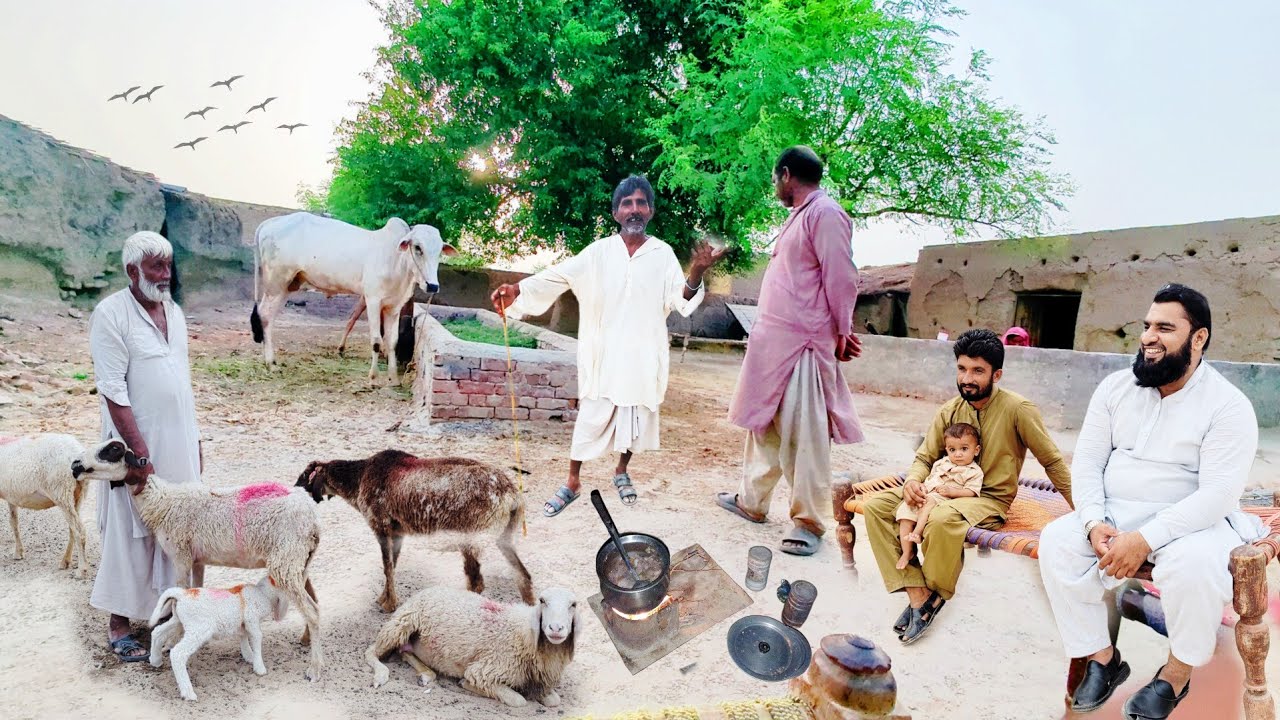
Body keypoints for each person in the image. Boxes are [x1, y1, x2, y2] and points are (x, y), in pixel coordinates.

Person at [1039, 284, 1261, 718]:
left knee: (1194, 568)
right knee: (1057, 541)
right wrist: (1092, 522)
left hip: (1192, 523)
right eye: (1146, 326)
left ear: (1198, 338)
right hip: (1115, 513)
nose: (1148, 337)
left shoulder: (1228, 406)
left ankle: (1175, 676)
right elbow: (1087, 464)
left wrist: (1144, 539)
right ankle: (1103, 658)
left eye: (1164, 328)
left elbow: (1217, 495)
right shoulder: (1115, 388)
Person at [491, 175, 725, 517]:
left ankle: (621, 471)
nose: (634, 209)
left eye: (641, 203)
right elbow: (558, 275)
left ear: (651, 210)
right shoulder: (598, 252)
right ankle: (572, 482)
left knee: (634, 418)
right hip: (603, 355)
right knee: (590, 418)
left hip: (642, 356)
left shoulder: (662, 254)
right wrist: (517, 290)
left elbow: (681, 300)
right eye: (627, 203)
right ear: (616, 213)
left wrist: (696, 273)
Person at [861, 328, 1072, 643]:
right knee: (877, 505)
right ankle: (919, 594)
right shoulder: (949, 410)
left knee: (941, 518)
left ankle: (936, 593)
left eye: (977, 371)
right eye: (961, 369)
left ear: (996, 375)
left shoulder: (1018, 409)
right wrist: (914, 481)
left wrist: (1087, 512)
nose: (966, 378)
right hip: (939, 490)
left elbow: (1052, 461)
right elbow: (925, 457)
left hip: (987, 499)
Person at [715, 145, 863, 557]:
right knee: (763, 427)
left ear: (785, 175)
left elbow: (842, 278)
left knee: (805, 435)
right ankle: (751, 502)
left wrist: (842, 330)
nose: (775, 187)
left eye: (775, 180)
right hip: (772, 345)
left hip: (804, 345)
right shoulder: (797, 217)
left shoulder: (825, 213)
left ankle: (809, 523)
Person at [88, 231, 203, 662]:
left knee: (180, 524)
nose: (165, 274)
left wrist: (195, 439)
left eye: (168, 265)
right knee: (130, 527)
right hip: (134, 445)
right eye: (156, 266)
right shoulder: (111, 314)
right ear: (132, 270)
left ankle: (169, 614)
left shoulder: (175, 312)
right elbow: (113, 391)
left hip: (178, 439)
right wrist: (138, 454)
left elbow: (182, 383)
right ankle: (119, 626)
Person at [894, 423, 984, 570]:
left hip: (945, 499)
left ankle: (917, 533)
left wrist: (952, 492)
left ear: (976, 450)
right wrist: (922, 487)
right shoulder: (940, 463)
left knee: (929, 502)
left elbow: (972, 492)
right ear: (947, 449)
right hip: (929, 493)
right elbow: (930, 478)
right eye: (952, 450)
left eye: (964, 449)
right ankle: (907, 552)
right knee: (906, 511)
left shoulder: (974, 471)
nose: (958, 454)